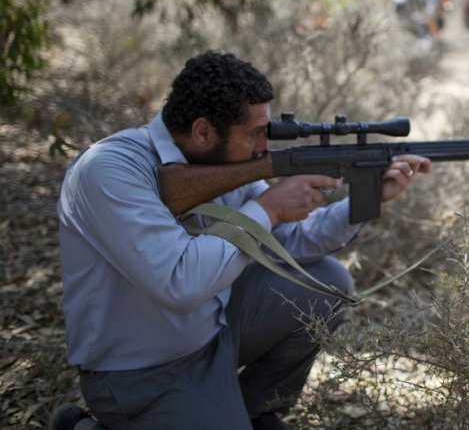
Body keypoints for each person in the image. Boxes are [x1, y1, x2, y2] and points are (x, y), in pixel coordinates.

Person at [53, 50, 431, 429]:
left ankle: (255, 410)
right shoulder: (109, 169)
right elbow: (178, 282)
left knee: (328, 283)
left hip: (214, 335)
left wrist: (367, 201)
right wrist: (269, 208)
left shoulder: (221, 165)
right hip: (142, 372)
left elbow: (290, 241)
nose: (264, 146)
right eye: (255, 133)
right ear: (203, 132)